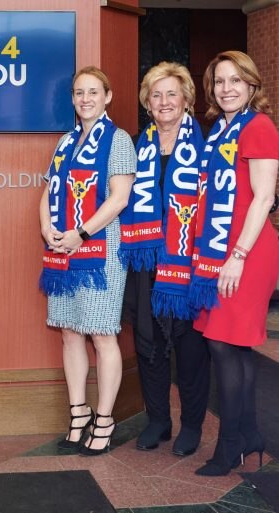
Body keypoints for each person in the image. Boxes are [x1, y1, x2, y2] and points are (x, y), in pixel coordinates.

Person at [189, 50, 279, 476]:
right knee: (232, 345)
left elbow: (263, 198)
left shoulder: (258, 127)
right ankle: (249, 436)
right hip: (219, 249)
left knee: (224, 344)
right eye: (220, 81)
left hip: (247, 251)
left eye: (235, 80)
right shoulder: (220, 130)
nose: (227, 89)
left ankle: (230, 446)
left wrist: (238, 256)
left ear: (252, 85)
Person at [39, 66, 135, 456]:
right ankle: (78, 413)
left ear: (107, 96)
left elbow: (119, 198)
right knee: (69, 332)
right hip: (63, 251)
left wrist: (82, 233)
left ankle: (105, 419)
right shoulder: (65, 141)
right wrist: (47, 227)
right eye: (79, 92)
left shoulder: (119, 139)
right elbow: (48, 191)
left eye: (93, 92)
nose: (85, 99)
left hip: (100, 252)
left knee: (102, 334)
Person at [119, 62, 209, 456]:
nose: (164, 101)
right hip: (146, 261)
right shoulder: (134, 146)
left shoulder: (207, 147)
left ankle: (191, 424)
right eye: (156, 95)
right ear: (147, 103)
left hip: (189, 261)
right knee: (149, 343)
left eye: (172, 93)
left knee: (190, 348)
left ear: (187, 98)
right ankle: (158, 420)